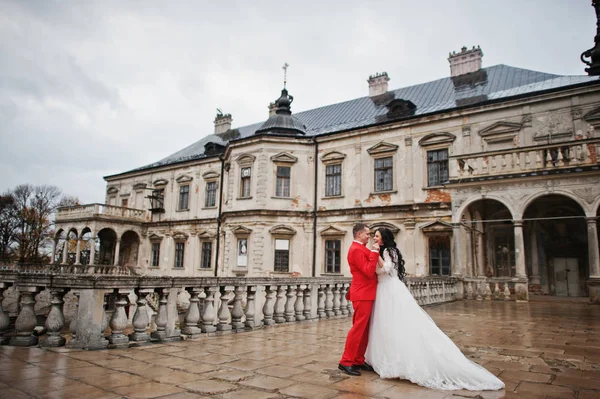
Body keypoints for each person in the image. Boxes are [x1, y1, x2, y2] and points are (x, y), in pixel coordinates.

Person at [365, 227, 505, 391]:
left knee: (398, 324)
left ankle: (400, 363)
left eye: (376, 236)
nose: (374, 238)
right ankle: (384, 358)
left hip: (391, 289)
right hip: (382, 290)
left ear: (384, 238)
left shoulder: (389, 250)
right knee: (383, 325)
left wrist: (376, 255)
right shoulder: (382, 250)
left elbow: (389, 270)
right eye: (373, 236)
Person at [338, 223, 381, 376]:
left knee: (364, 329)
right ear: (359, 234)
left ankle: (357, 359)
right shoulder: (355, 249)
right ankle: (345, 361)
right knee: (358, 328)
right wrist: (375, 251)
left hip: (367, 292)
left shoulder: (361, 248)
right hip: (362, 293)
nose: (369, 236)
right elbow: (369, 272)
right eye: (367, 234)